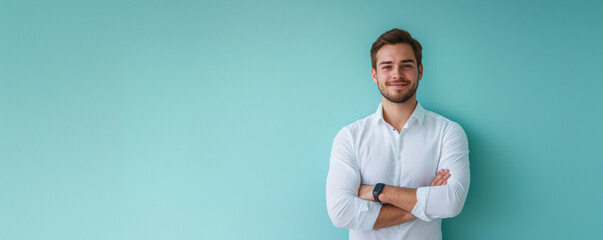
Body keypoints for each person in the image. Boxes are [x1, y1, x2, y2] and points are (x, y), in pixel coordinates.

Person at [326, 28, 470, 240]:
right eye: (387, 66)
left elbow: (451, 202)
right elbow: (340, 212)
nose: (397, 74)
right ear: (374, 74)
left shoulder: (448, 132)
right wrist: (424, 203)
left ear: (420, 71)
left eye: (406, 66)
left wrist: (378, 191)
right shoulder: (350, 137)